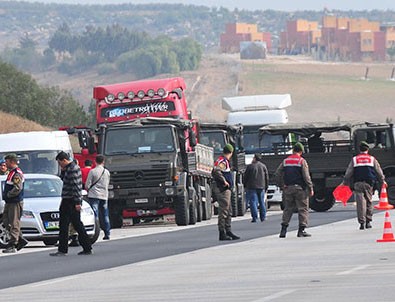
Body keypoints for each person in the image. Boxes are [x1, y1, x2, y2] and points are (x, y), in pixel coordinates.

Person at [50, 151, 93, 256]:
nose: (60, 165)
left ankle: (82, 247)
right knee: (67, 225)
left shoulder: (73, 169)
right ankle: (82, 247)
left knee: (74, 224)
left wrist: (77, 202)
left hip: (71, 200)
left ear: (64, 160)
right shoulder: (70, 168)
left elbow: (76, 187)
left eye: (60, 163)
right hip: (68, 199)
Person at [343, 141, 386, 230]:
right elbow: (379, 171)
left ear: (360, 149)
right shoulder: (372, 159)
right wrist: (383, 181)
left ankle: (361, 223)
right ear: (367, 149)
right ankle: (368, 222)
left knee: (360, 203)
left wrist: (345, 182)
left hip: (358, 183)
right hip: (368, 184)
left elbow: (348, 173)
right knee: (369, 202)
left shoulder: (355, 159)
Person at [275, 142, 314, 238]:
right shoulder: (301, 161)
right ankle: (301, 230)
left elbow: (277, 173)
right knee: (303, 209)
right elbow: (306, 176)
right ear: (301, 151)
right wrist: (310, 188)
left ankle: (283, 230)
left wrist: (281, 185)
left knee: (288, 209)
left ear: (293, 150)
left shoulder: (285, 161)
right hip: (300, 189)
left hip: (288, 188)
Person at [212, 143, 240, 241]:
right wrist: (224, 181)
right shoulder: (222, 161)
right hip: (222, 189)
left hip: (225, 189)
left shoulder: (224, 161)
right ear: (231, 152)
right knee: (224, 210)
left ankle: (228, 230)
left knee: (228, 210)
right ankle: (222, 232)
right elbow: (216, 171)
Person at [2, 153, 28, 253]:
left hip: (15, 202)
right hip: (9, 202)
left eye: (7, 161)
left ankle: (13, 244)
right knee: (6, 221)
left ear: (12, 161)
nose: (6, 163)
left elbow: (17, 188)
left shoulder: (17, 173)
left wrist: (8, 194)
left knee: (14, 223)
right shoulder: (11, 173)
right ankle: (20, 239)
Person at [85, 154, 111, 240]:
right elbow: (107, 184)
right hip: (104, 195)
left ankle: (96, 231)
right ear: (103, 161)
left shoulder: (92, 171)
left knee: (95, 214)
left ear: (95, 161)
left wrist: (88, 189)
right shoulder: (106, 172)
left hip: (94, 195)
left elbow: (87, 185)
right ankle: (107, 233)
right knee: (105, 214)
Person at [243, 153, 269, 222]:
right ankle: (263, 217)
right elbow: (267, 177)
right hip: (261, 186)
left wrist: (245, 185)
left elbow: (246, 177)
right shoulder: (263, 166)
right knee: (261, 202)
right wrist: (266, 186)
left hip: (251, 187)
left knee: (253, 202)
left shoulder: (250, 167)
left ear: (255, 158)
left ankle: (255, 218)